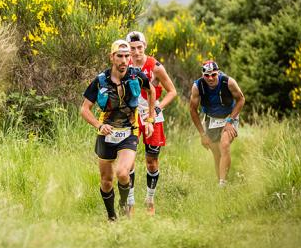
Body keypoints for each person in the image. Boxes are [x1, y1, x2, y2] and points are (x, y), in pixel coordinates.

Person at [80, 39, 156, 221]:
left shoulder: (137, 75)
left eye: (127, 56)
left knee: (122, 172)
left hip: (130, 131)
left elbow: (151, 91)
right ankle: (112, 217)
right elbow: (84, 109)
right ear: (112, 57)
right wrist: (99, 125)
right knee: (106, 181)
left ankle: (123, 204)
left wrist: (150, 119)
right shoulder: (100, 80)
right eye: (120, 56)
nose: (124, 61)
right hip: (106, 133)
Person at [125, 31, 177, 215]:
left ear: (145, 46)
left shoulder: (155, 66)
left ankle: (150, 200)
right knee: (128, 159)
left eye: (139, 48)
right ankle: (130, 203)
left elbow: (172, 91)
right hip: (131, 116)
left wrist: (157, 109)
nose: (136, 52)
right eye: (132, 49)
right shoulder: (125, 63)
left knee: (152, 162)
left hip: (152, 115)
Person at [189, 60, 245, 187]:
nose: (210, 78)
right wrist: (202, 134)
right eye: (207, 75)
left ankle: (222, 184)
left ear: (218, 73)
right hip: (211, 119)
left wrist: (230, 121)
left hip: (229, 117)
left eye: (213, 74)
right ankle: (220, 181)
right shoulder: (198, 86)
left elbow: (241, 99)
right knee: (216, 153)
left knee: (224, 145)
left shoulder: (228, 82)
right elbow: (192, 110)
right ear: (203, 75)